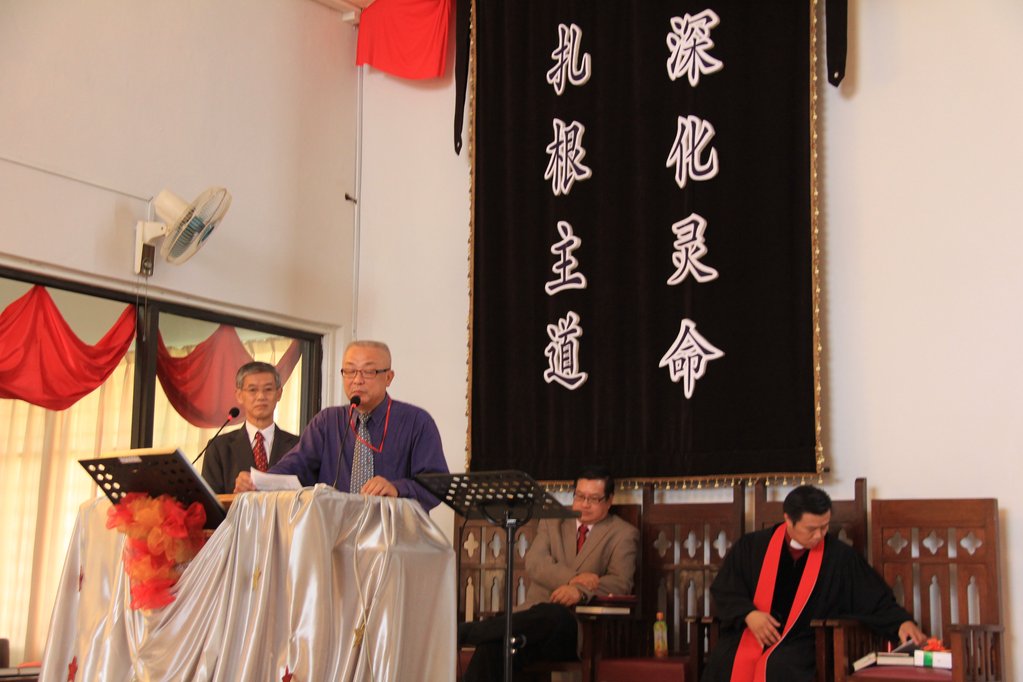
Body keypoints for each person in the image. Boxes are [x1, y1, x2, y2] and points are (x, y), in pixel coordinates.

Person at [701, 485, 928, 682]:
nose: (820, 535)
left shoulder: (840, 558)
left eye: (825, 526)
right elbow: (725, 589)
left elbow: (871, 597)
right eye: (812, 529)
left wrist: (900, 622)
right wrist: (749, 614)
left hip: (803, 640)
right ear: (788, 520)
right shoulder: (752, 547)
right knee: (726, 661)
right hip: (751, 632)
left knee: (779, 665)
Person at [459, 465, 639, 681]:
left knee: (554, 613)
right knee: (492, 646)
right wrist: (573, 580)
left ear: (609, 501)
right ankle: (482, 633)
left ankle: (468, 632)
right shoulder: (553, 521)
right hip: (528, 622)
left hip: (575, 629)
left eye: (594, 498)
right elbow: (535, 563)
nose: (585, 504)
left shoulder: (623, 534)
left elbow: (620, 582)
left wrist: (580, 592)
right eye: (580, 496)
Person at [233, 340, 448, 510]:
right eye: (350, 371)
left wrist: (397, 488)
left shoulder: (416, 421)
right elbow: (295, 467)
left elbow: (438, 486)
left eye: (368, 372)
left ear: (389, 377)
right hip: (334, 536)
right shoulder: (327, 421)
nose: (357, 380)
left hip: (392, 539)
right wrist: (259, 482)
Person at [201, 361, 299, 494]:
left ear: (279, 393)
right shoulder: (218, 447)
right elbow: (209, 500)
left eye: (268, 389)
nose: (261, 396)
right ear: (239, 395)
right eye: (253, 390)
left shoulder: (298, 446)